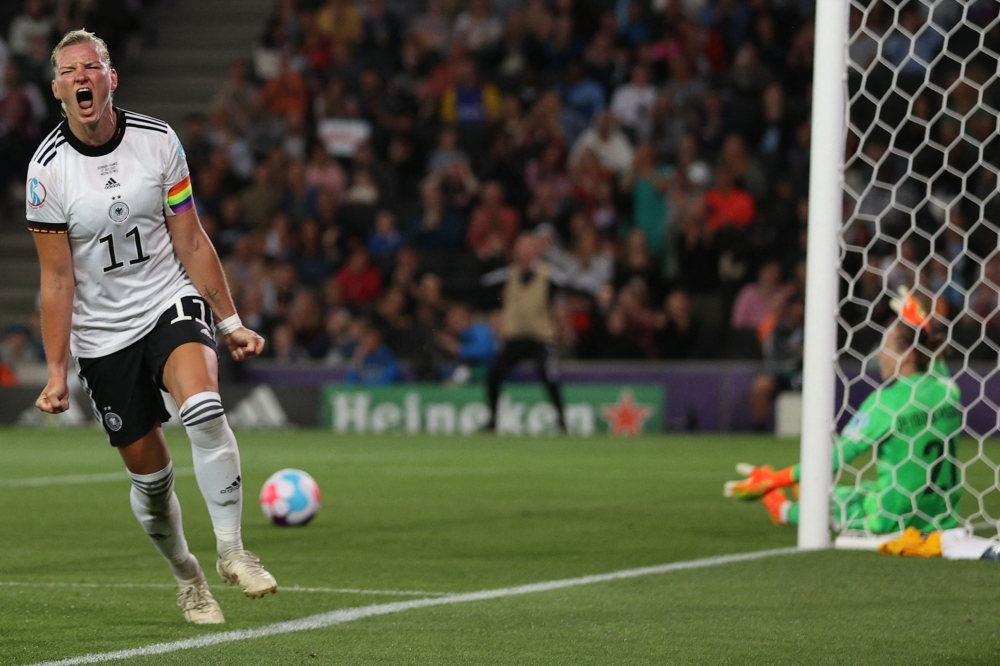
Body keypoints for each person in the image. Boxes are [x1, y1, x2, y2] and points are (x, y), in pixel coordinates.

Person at [27, 31, 276, 626]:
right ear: (58, 89)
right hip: (103, 336)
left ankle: (234, 550)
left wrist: (231, 320)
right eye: (69, 71)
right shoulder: (47, 173)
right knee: (154, 482)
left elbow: (189, 238)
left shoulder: (157, 140)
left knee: (206, 409)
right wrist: (57, 372)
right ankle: (188, 577)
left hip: (168, 299)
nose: (82, 76)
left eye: (93, 66)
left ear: (112, 77)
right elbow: (57, 281)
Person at [725, 291, 962, 534]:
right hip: (940, 518)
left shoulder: (885, 402)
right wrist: (918, 319)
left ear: (910, 355)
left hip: (891, 521)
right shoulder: (948, 390)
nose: (879, 355)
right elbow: (933, 358)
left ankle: (781, 506)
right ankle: (801, 487)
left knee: (818, 507)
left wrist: (774, 481)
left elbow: (835, 457)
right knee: (857, 491)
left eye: (886, 347)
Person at [481, 234, 568, 433]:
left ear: (535, 253)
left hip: (540, 338)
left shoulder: (548, 275)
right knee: (494, 374)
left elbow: (570, 287)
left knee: (549, 375)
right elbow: (481, 286)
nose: (524, 256)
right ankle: (492, 420)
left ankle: (562, 421)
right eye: (520, 252)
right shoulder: (507, 275)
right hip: (514, 339)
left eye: (528, 251)